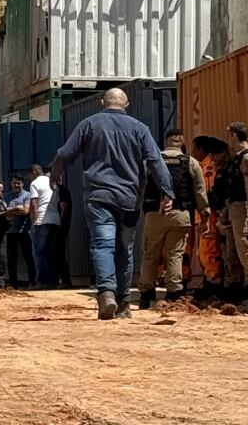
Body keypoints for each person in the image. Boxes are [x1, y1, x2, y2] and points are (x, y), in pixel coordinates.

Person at [52, 88, 174, 320]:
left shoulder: (89, 124)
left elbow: (65, 153)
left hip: (99, 197)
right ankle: (124, 302)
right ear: (126, 104)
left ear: (102, 102)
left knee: (103, 244)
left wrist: (55, 173)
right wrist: (167, 191)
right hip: (129, 199)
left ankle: (107, 292)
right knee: (125, 250)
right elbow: (155, 160)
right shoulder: (140, 128)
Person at [137, 129, 209, 309]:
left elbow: (140, 187)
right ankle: (173, 294)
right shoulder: (191, 162)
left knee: (150, 254)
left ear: (165, 142)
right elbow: (200, 192)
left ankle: (146, 295)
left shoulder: (150, 162)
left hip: (155, 214)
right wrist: (205, 215)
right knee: (175, 255)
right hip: (180, 214)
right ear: (182, 143)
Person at [215, 122, 248, 309]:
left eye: (230, 135)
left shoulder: (247, 157)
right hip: (234, 208)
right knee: (233, 251)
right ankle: (238, 290)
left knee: (246, 249)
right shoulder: (238, 157)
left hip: (243, 208)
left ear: (235, 136)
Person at [190, 136, 227, 293]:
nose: (192, 152)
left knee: (210, 249)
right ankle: (209, 278)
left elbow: (208, 192)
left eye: (194, 149)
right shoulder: (201, 166)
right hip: (203, 214)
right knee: (203, 250)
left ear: (201, 150)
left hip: (209, 214)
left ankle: (214, 282)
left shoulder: (208, 167)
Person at [27, 164, 60, 289]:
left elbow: (34, 205)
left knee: (39, 252)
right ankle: (53, 281)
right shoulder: (52, 183)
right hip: (55, 221)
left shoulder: (35, 183)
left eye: (30, 175)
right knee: (52, 252)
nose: (29, 178)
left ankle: (41, 281)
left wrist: (34, 222)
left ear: (34, 172)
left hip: (41, 221)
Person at [3, 175, 37, 289]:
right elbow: (4, 212)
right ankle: (13, 284)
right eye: (14, 183)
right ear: (11, 184)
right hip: (11, 232)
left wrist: (11, 211)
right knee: (11, 259)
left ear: (22, 184)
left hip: (24, 231)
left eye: (19, 183)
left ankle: (32, 281)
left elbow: (26, 211)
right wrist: (18, 209)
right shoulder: (6, 196)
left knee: (29, 257)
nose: (16, 185)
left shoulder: (27, 195)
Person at [56, 182, 74, 288]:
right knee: (58, 253)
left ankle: (65, 280)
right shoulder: (60, 190)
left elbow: (64, 208)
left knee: (59, 253)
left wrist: (59, 223)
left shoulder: (61, 190)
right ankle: (63, 279)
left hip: (61, 226)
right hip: (61, 225)